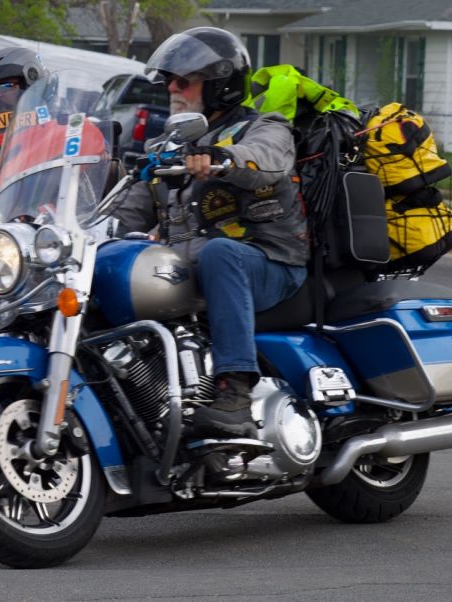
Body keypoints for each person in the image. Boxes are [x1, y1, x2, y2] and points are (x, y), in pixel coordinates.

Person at [110, 27, 306, 438]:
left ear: (220, 85)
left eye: (184, 80)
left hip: (267, 263)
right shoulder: (167, 147)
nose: (172, 88)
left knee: (221, 252)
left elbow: (266, 159)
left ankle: (235, 392)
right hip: (194, 269)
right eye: (169, 80)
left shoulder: (263, 127)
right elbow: (125, 217)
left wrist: (223, 158)